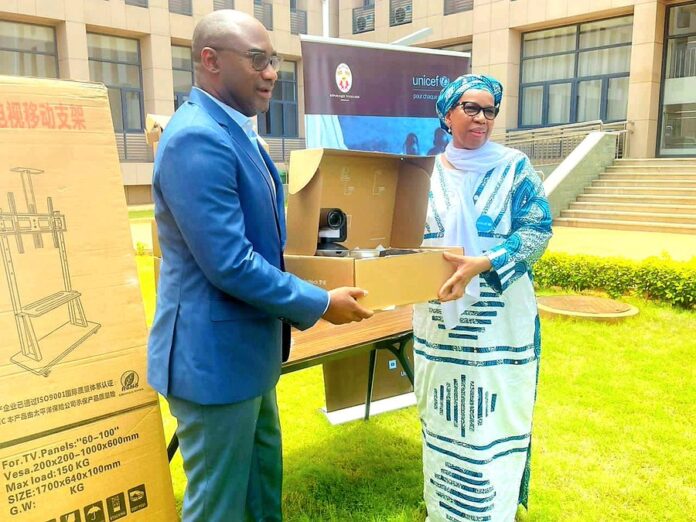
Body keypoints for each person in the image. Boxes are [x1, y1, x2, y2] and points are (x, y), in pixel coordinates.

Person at [147, 10, 373, 522]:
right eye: (257, 60)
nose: (271, 73)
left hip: (247, 353)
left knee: (260, 493)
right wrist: (320, 302)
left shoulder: (234, 131)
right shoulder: (197, 138)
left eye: (274, 60)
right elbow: (230, 262)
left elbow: (264, 240)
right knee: (220, 507)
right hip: (212, 360)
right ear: (210, 61)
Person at [413, 74, 553, 521]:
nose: (482, 118)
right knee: (444, 414)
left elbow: (537, 230)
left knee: (496, 415)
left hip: (500, 323)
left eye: (489, 110)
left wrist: (487, 261)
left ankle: (492, 510)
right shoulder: (423, 172)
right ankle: (444, 510)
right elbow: (401, 234)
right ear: (447, 114)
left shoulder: (515, 167)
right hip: (439, 323)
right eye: (471, 108)